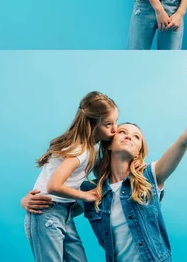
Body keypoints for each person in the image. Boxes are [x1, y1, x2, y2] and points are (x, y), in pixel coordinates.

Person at [81, 72, 187, 261]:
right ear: (109, 144)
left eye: (136, 136)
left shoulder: (150, 176)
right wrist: (27, 202)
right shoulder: (90, 191)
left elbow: (184, 141)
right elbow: (57, 209)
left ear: (139, 151)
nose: (129, 136)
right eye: (122, 132)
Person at [24, 92, 118, 262]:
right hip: (47, 211)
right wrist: (85, 196)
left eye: (115, 122)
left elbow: (107, 174)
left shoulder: (92, 148)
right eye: (108, 124)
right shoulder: (80, 149)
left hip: (64, 212)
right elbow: (53, 186)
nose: (115, 129)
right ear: (92, 125)